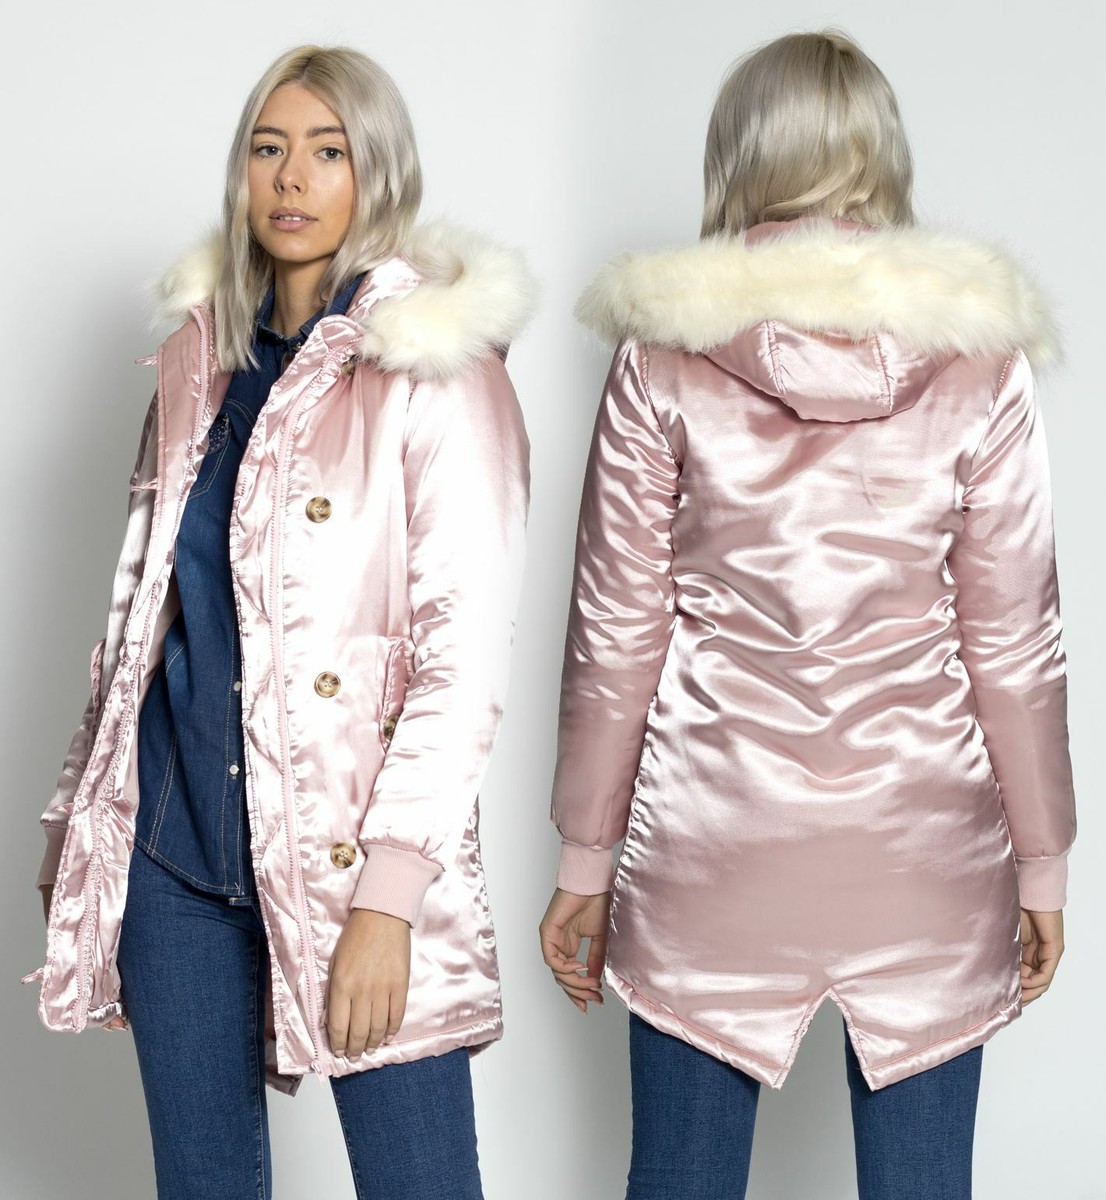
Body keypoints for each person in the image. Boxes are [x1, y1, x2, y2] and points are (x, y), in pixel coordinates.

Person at [539, 29, 1074, 1200]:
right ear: (881, 157)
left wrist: (584, 856)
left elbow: (615, 631)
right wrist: (1040, 861)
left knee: (678, 1181)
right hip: (924, 845)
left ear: (737, 156)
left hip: (711, 839)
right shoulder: (977, 357)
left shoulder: (661, 354)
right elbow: (1012, 643)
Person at [28, 44, 533, 1200]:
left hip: (353, 862)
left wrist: (389, 897)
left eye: (326, 151)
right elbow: (139, 618)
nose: (291, 178)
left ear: (377, 172)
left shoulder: (437, 369)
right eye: (268, 149)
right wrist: (86, 828)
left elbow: (461, 661)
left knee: (420, 1183)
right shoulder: (198, 363)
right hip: (174, 858)